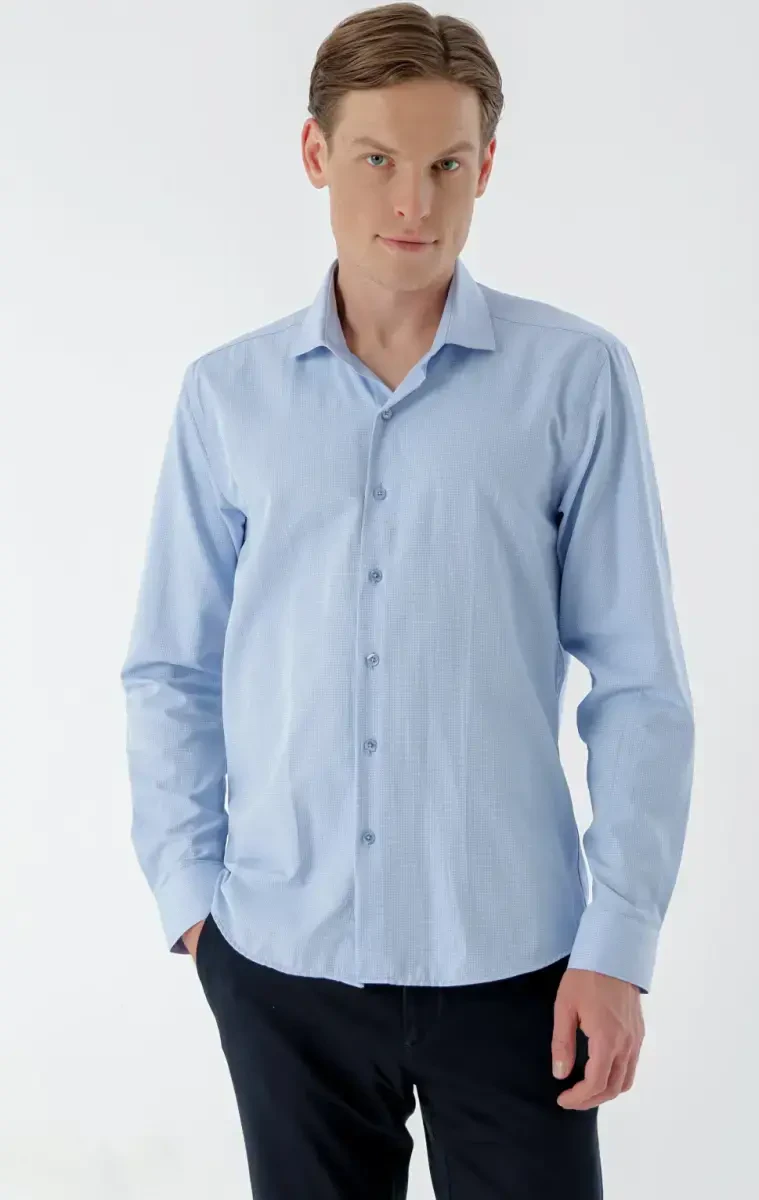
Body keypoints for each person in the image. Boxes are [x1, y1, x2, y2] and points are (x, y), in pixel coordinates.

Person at [119, 4, 695, 1197]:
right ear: (316, 153)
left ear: (486, 164)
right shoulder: (226, 397)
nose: (413, 204)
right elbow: (171, 667)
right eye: (378, 159)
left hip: (519, 969)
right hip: (281, 964)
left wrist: (619, 943)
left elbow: (639, 682)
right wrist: (194, 907)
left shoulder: (573, 380)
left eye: (445, 165)